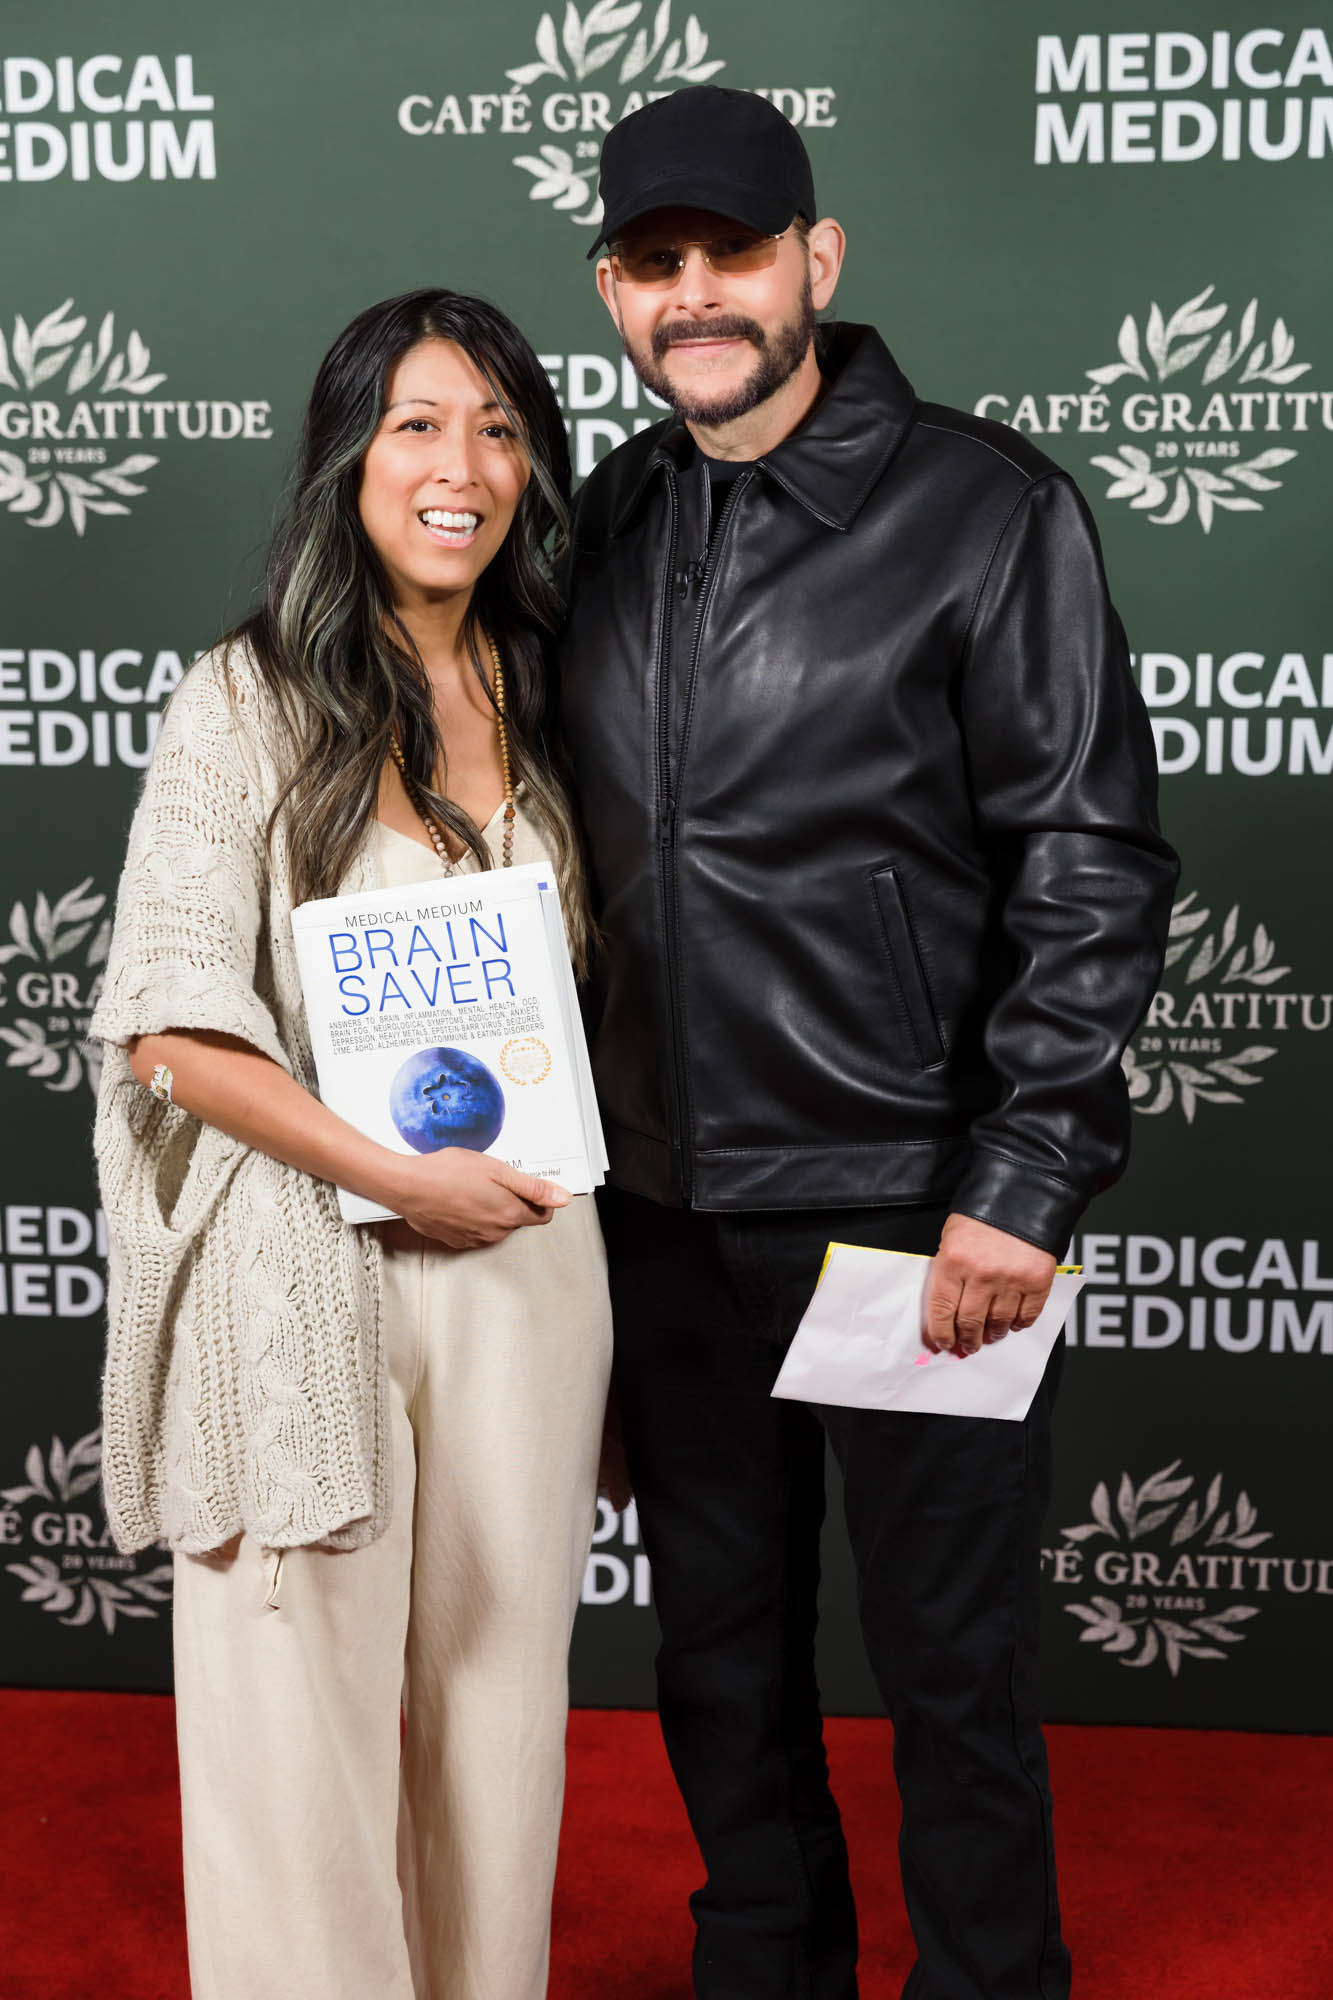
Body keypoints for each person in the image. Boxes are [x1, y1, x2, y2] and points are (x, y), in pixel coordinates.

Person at [560, 88, 1179, 2000]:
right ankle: (766, 1965)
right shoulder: (605, 514)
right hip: (663, 1215)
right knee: (715, 1653)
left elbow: (1089, 861)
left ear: (815, 261)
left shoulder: (985, 509)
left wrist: (1022, 1180)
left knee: (948, 1661)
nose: (694, 294)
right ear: (611, 291)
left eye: (733, 253)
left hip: (910, 1213)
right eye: (653, 262)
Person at [89, 289, 612, 2000]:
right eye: (418, 423)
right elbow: (167, 1029)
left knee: (501, 1720)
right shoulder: (245, 698)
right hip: (305, 1267)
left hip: (531, 1263)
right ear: (347, 455)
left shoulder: (560, 689)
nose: (461, 466)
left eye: (500, 429)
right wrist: (388, 1177)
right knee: (289, 1731)